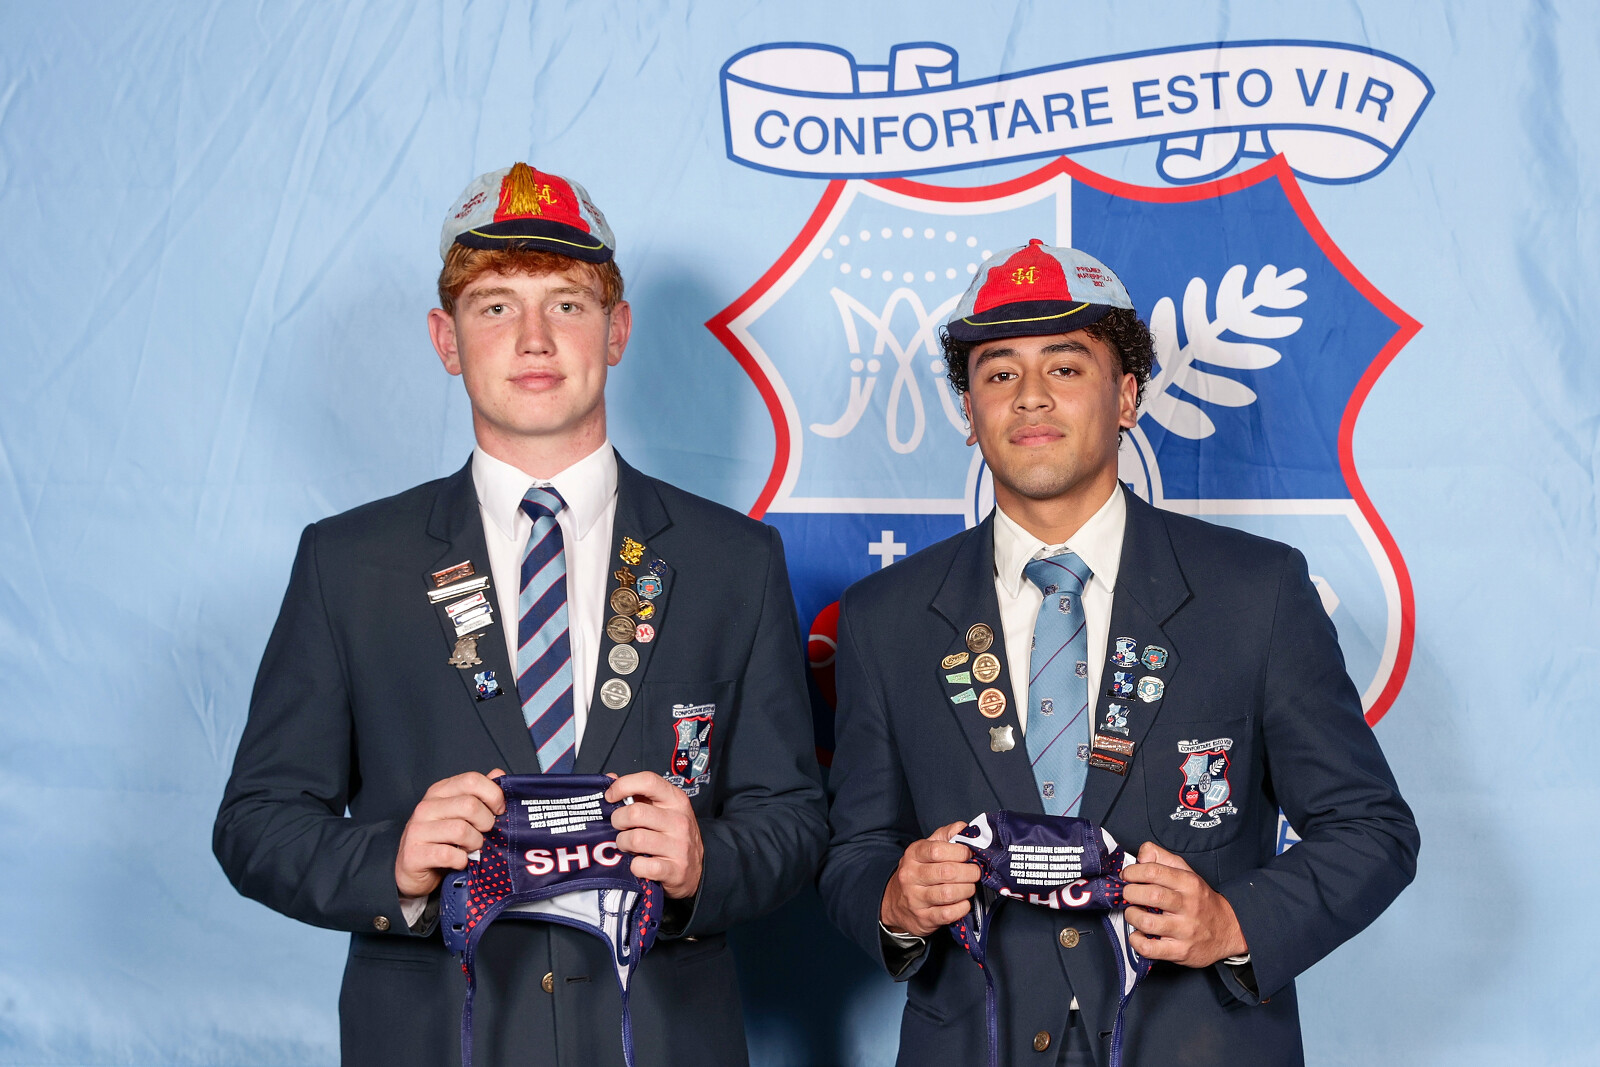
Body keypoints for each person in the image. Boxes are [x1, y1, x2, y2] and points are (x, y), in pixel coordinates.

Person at [214, 162, 827, 1067]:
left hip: (660, 1038)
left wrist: (706, 863)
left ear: (617, 331)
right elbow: (257, 820)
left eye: (567, 303)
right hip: (437, 1038)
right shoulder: (349, 562)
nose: (534, 338)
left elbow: (795, 819)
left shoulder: (733, 560)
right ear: (446, 339)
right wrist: (394, 861)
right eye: (496, 305)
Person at [817, 239, 1418, 1065]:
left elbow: (1371, 830)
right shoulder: (884, 618)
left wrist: (1232, 922)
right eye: (999, 373)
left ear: (1128, 395)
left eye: (1065, 367)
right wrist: (894, 898)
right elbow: (852, 853)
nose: (1030, 395)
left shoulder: (1257, 592)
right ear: (969, 412)